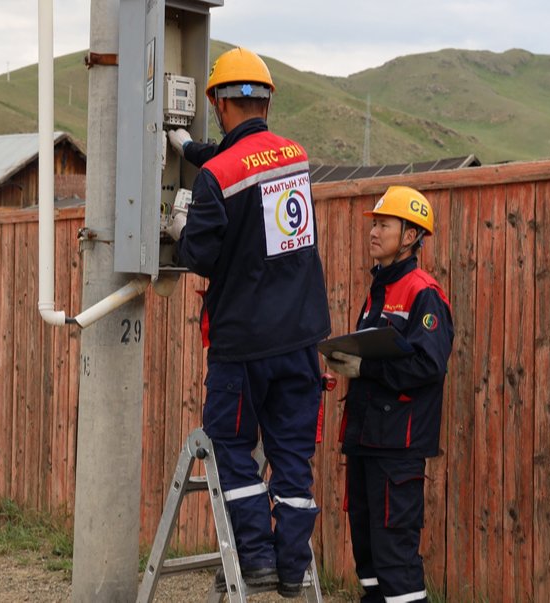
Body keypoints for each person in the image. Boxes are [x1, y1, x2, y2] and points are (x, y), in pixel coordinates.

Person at [163, 47, 331, 598]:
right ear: (265, 100)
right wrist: (188, 149)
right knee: (291, 458)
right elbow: (250, 162)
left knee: (232, 445)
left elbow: (202, 258)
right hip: (302, 338)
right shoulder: (296, 156)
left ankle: (254, 557)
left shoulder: (215, 180)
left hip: (242, 344)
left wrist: (183, 224)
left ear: (217, 102)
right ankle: (289, 568)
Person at [324, 186, 454, 603]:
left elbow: (428, 365)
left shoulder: (424, 293)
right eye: (374, 223)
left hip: (397, 449)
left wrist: (366, 367)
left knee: (396, 563)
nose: (374, 232)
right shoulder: (378, 289)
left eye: (384, 224)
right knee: (369, 562)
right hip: (366, 441)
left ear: (411, 235)